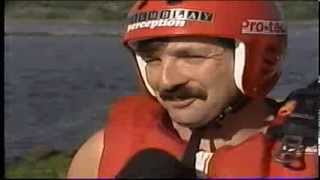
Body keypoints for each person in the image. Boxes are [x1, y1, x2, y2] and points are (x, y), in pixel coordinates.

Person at [67, 0, 318, 178]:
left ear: (261, 59)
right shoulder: (101, 154)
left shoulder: (312, 154)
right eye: (153, 60)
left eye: (192, 57)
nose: (166, 81)